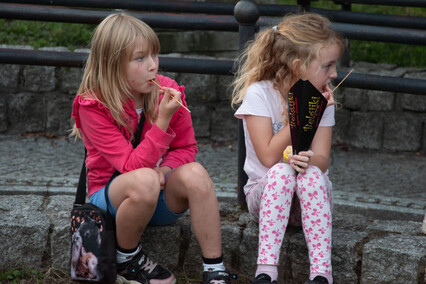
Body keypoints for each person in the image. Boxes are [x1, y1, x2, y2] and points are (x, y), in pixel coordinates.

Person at [71, 13, 235, 284]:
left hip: (154, 195)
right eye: (140, 58)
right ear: (112, 64)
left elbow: (186, 147)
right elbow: (130, 167)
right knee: (144, 178)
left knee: (195, 173)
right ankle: (127, 259)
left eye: (154, 56)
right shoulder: (93, 106)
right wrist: (162, 122)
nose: (152, 66)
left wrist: (167, 169)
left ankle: (214, 270)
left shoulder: (167, 90)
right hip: (108, 200)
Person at [232, 13, 345, 284]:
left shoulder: (323, 97)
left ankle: (321, 274)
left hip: (309, 200)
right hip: (267, 195)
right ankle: (266, 271)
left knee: (312, 176)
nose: (334, 74)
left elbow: (322, 161)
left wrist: (308, 161)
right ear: (298, 66)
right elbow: (269, 156)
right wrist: (304, 112)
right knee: (282, 173)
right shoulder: (259, 94)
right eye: (327, 65)